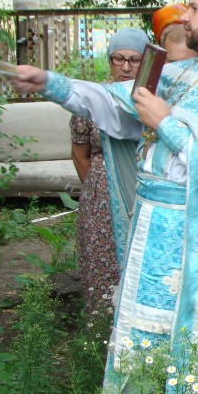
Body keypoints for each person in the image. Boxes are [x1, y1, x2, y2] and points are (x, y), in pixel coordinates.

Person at [12, 0, 198, 394]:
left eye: (195, 7)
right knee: (144, 338)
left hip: (195, 237)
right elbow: (113, 102)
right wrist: (50, 83)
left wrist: (165, 122)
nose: (185, 15)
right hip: (150, 230)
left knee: (191, 339)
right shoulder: (180, 73)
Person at [69, 28, 148, 329]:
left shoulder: (152, 101)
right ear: (110, 60)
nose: (126, 67)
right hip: (101, 198)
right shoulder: (93, 100)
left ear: (146, 62)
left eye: (134, 60)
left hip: (145, 191)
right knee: (103, 264)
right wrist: (101, 189)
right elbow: (80, 154)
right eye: (119, 59)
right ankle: (102, 332)